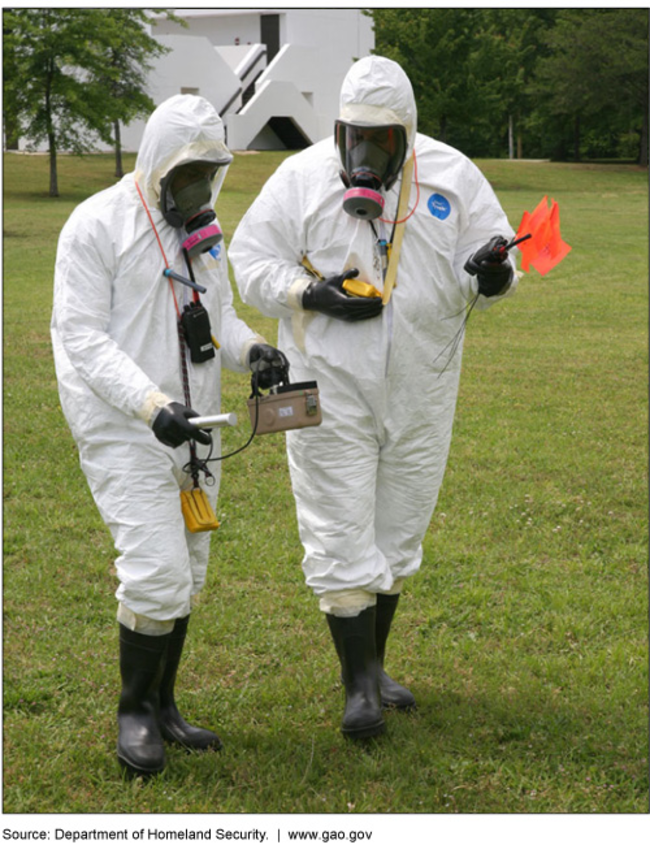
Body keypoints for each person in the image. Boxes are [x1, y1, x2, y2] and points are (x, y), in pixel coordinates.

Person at [229, 56, 518, 740]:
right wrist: (311, 293)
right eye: (354, 136)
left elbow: (499, 265)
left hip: (423, 391)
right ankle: (358, 685)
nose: (365, 152)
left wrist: (497, 273)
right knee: (337, 530)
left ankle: (375, 661)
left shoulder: (452, 177)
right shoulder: (299, 179)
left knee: (398, 529)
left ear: (407, 137)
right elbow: (250, 262)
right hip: (330, 389)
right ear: (336, 132)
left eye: (382, 140)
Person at [51, 94, 287, 776]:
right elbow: (82, 338)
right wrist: (150, 402)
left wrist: (256, 352)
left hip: (196, 425)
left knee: (187, 573)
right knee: (156, 572)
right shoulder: (97, 225)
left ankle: (165, 705)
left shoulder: (204, 233)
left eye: (208, 174)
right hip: (126, 424)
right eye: (185, 173)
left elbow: (220, 319)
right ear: (155, 160)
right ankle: (133, 710)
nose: (196, 188)